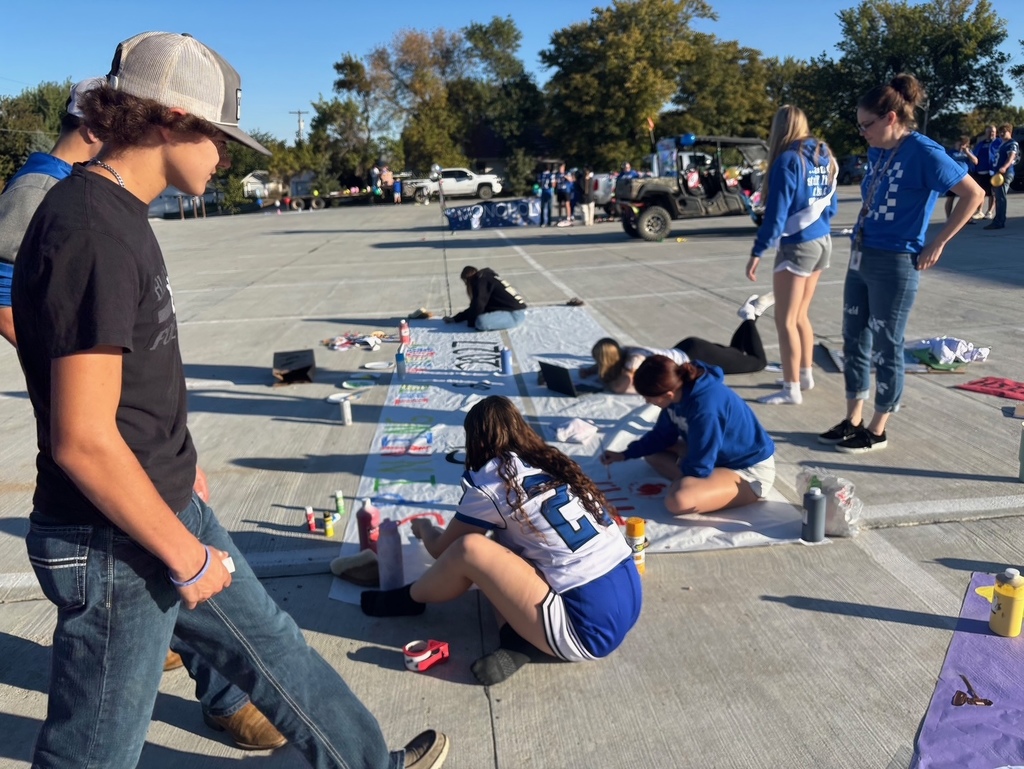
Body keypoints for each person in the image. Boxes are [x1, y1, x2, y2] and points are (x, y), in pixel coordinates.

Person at [11, 32, 447, 769]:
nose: (224, 154)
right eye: (218, 135)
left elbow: (136, 383)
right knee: (95, 750)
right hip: (116, 539)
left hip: (163, 500)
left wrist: (184, 468)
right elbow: (82, 437)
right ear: (169, 119)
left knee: (272, 647)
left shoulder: (118, 215)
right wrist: (181, 553)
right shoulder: (88, 229)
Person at [0, 77, 286, 752]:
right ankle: (226, 699)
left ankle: (223, 695)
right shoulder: (44, 193)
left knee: (186, 576)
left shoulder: (99, 192)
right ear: (109, 124)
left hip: (140, 438)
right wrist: (70, 369)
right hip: (103, 449)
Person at [361, 396, 641, 686]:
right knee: (504, 541)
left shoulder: (492, 484)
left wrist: (424, 528)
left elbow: (442, 551)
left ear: (475, 441)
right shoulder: (551, 463)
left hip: (584, 629)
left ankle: (409, 600)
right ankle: (519, 641)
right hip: (628, 594)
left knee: (471, 549)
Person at [818, 73, 982, 454]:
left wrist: (938, 242)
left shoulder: (924, 152)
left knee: (886, 344)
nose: (863, 133)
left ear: (891, 117)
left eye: (867, 125)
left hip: (896, 260)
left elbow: (973, 194)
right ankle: (853, 418)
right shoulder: (880, 150)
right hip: (864, 251)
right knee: (853, 338)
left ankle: (878, 428)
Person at [601, 355, 776, 516]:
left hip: (748, 470)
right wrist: (624, 454)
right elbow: (661, 437)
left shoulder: (706, 408)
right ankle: (701, 484)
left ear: (667, 394)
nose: (647, 402)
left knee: (678, 500)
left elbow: (701, 464)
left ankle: (702, 486)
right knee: (653, 454)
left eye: (648, 398)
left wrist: (686, 478)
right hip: (716, 457)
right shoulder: (676, 394)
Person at [746, 105, 839, 406]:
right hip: (821, 240)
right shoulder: (823, 155)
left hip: (797, 245)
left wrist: (758, 250)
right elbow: (832, 205)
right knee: (800, 315)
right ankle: (804, 374)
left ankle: (791, 388)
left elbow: (776, 214)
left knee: (785, 320)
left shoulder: (788, 160)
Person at [582, 307, 771, 394]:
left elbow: (621, 387)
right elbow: (606, 364)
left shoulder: (634, 360)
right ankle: (748, 318)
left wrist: (602, 380)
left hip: (698, 355)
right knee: (735, 352)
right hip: (688, 348)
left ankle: (750, 316)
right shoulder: (623, 351)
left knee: (757, 363)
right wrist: (592, 370)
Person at [444, 265, 527, 331]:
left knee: (480, 322)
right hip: (514, 311)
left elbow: (478, 305)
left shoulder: (480, 283)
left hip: (515, 316)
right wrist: (456, 318)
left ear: (467, 281)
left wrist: (471, 322)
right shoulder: (487, 278)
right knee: (481, 314)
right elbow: (476, 306)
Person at [985, 124, 1018, 231]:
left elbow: (1012, 155)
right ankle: (997, 219)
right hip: (997, 174)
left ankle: (999, 221)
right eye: (1000, 132)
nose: (1002, 134)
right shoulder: (1001, 144)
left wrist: (1004, 167)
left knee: (1001, 198)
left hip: (1004, 174)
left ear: (1010, 132)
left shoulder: (1012, 143)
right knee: (998, 197)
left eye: (1004, 131)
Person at [944, 136, 977, 220]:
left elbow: (975, 161)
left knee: (968, 198)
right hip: (952, 178)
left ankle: (967, 217)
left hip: (965, 178)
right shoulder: (950, 153)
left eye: (964, 145)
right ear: (956, 143)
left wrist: (967, 153)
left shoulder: (968, 152)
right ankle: (949, 218)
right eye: (960, 144)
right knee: (950, 198)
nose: (962, 146)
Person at [971, 125, 997, 219]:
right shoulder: (981, 144)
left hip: (992, 172)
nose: (991, 134)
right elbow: (974, 155)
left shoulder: (998, 143)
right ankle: (979, 211)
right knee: (980, 193)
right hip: (979, 172)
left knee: (992, 193)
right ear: (986, 133)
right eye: (989, 132)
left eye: (993, 132)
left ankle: (990, 212)